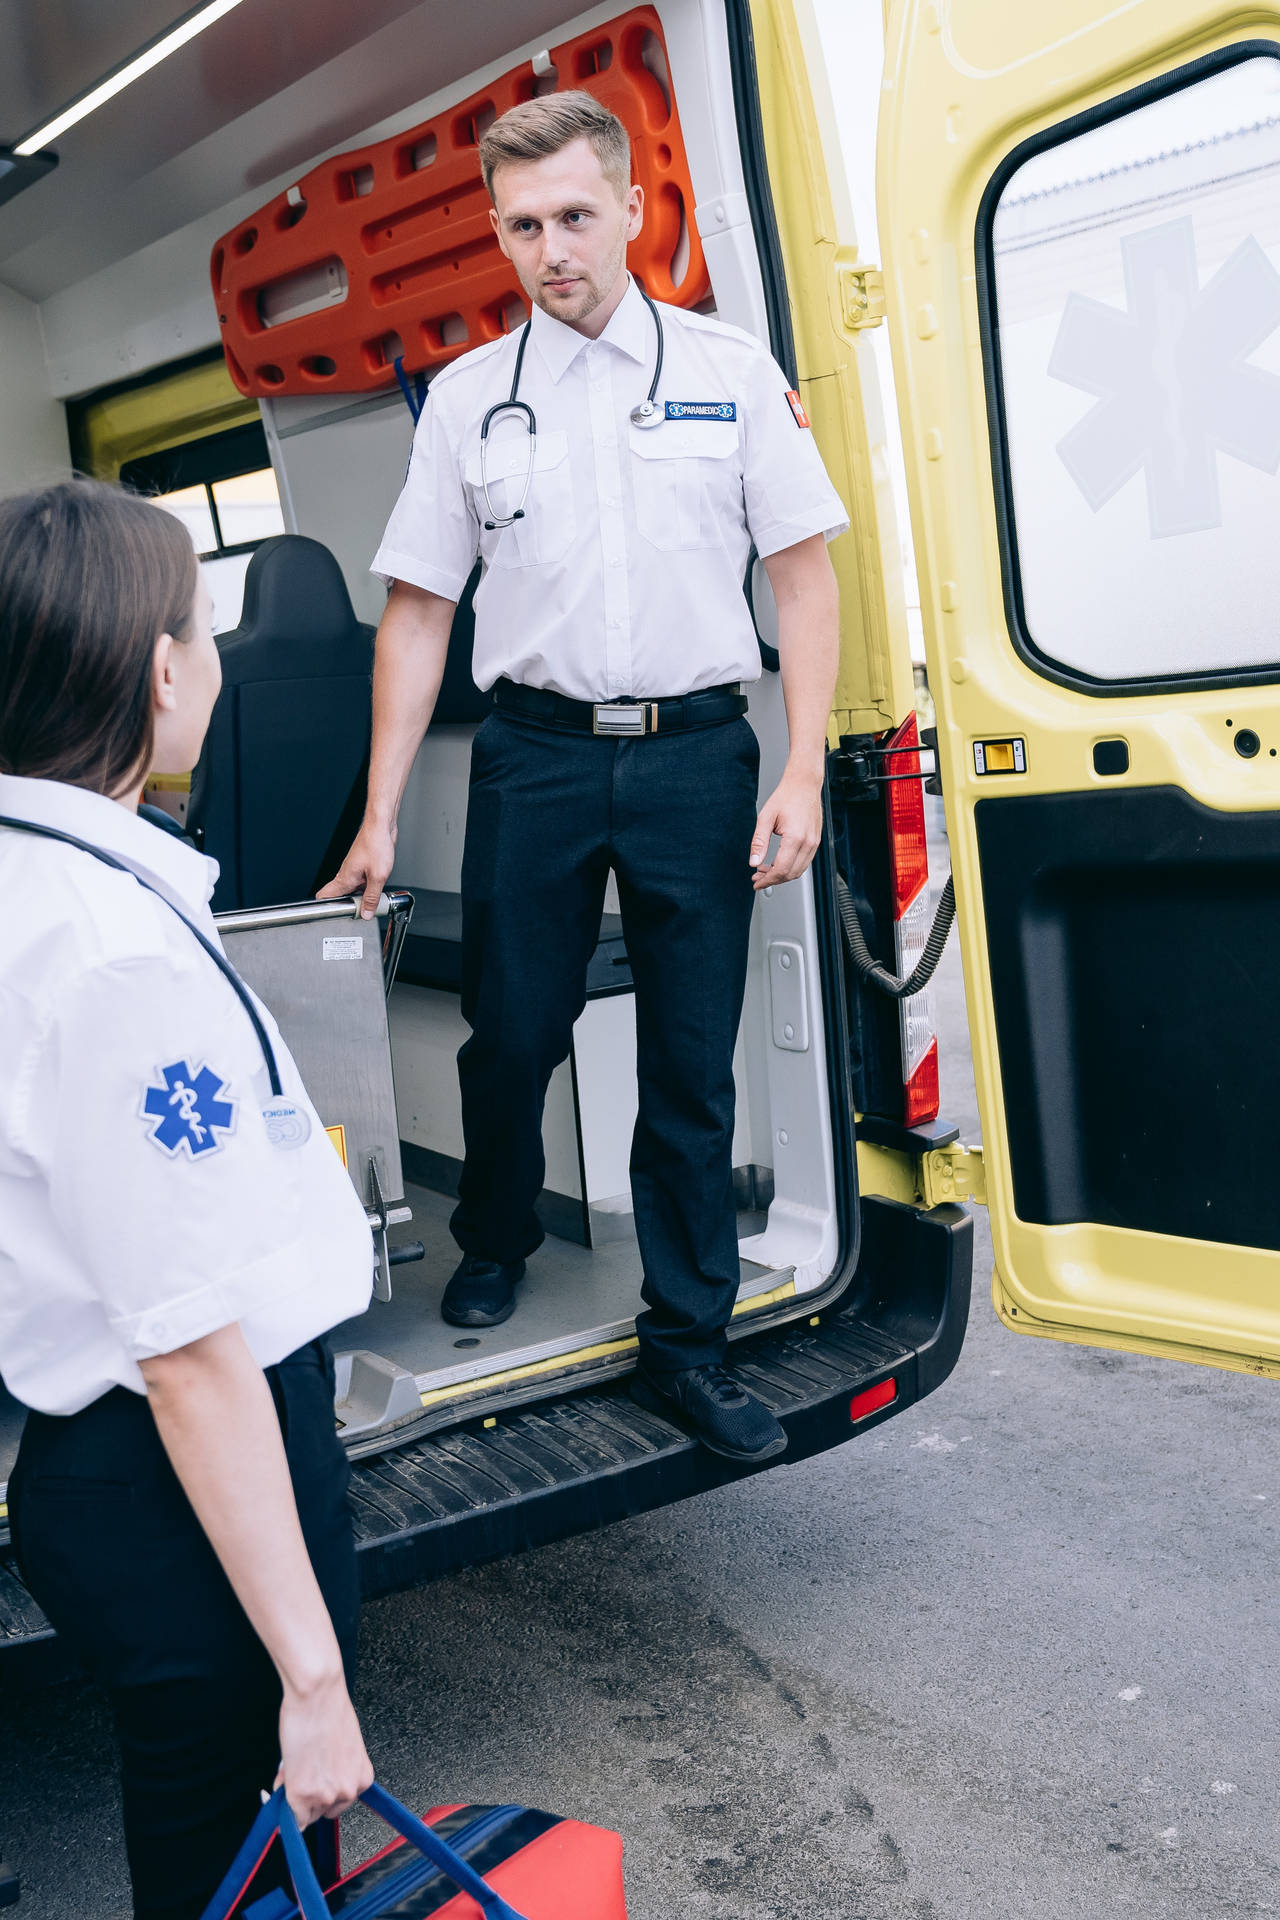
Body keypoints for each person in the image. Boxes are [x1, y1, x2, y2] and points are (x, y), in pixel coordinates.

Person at [321, 92, 846, 1465]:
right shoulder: (472, 406)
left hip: (697, 757)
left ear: (631, 210)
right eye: (522, 225)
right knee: (512, 1033)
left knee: (687, 1066)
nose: (551, 247)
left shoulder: (731, 372)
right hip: (538, 760)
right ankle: (492, 1235)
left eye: (572, 215)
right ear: (502, 235)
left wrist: (799, 764)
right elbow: (421, 612)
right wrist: (378, 812)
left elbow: (802, 574)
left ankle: (688, 1344)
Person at [0, 480, 374, 1920]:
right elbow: (189, 1351)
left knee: (203, 1828)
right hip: (175, 1477)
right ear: (163, 671)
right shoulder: (113, 955)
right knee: (243, 1851)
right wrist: (317, 1679)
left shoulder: (42, 882)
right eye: (202, 640)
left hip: (97, 1470)